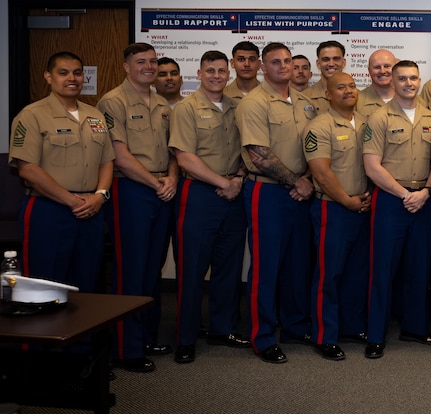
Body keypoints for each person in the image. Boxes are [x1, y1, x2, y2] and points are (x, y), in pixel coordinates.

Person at [98, 42, 179, 372]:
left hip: (162, 189)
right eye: (141, 62)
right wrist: (156, 183)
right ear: (126, 67)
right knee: (130, 270)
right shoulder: (113, 101)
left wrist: (171, 178)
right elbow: (120, 156)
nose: (149, 67)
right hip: (131, 190)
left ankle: (146, 336)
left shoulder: (162, 103)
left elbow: (174, 151)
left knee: (151, 268)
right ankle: (126, 348)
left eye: (153, 61)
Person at [168, 50, 250, 364]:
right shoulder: (186, 108)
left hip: (233, 193)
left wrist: (238, 179)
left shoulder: (237, 107)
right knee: (192, 269)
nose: (216, 76)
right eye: (210, 71)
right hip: (200, 194)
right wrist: (223, 183)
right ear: (199, 74)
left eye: (221, 71)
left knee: (229, 267)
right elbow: (185, 158)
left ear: (228, 74)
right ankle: (186, 337)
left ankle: (223, 328)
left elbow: (247, 150)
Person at [8, 52, 114, 294]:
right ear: (48, 76)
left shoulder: (95, 115)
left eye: (77, 73)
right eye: (63, 73)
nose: (72, 78)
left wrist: (99, 196)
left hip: (91, 210)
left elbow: (107, 160)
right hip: (49, 209)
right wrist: (71, 201)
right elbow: (27, 168)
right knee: (44, 283)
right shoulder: (32, 115)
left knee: (86, 283)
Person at [236, 42, 314, 365]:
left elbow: (315, 148)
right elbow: (259, 155)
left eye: (287, 61)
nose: (284, 66)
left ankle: (294, 326)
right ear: (262, 67)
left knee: (298, 265)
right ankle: (263, 336)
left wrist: (306, 179)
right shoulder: (253, 103)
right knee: (266, 267)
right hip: (267, 193)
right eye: (275, 62)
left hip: (301, 191)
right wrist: (297, 181)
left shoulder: (305, 103)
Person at [362, 60, 431, 359]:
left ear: (420, 81)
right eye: (403, 78)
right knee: (382, 269)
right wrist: (404, 194)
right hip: (391, 200)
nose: (409, 83)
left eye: (413, 78)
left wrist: (426, 192)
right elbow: (372, 166)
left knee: (419, 267)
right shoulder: (379, 117)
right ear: (392, 82)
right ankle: (376, 334)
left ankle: (415, 327)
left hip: (424, 199)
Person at [303, 72, 371, 361]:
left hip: (363, 207)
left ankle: (351, 326)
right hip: (334, 208)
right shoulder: (319, 126)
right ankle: (325, 335)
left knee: (357, 271)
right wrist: (346, 201)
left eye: (352, 86)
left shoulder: (367, 123)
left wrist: (364, 199)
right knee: (329, 274)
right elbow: (321, 172)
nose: (348, 91)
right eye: (340, 87)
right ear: (328, 95)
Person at [303, 41, 347, 114]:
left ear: (343, 63)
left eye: (336, 59)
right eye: (326, 59)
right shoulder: (304, 98)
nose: (331, 64)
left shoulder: (356, 97)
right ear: (318, 64)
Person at [357, 48, 397, 119]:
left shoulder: (413, 100)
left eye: (387, 66)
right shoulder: (356, 102)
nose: (382, 71)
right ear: (369, 71)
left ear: (396, 69)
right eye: (377, 67)